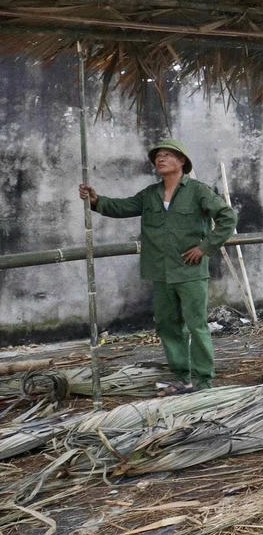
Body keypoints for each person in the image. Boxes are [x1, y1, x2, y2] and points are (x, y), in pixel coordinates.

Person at [78, 139, 237, 393]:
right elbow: (122, 207)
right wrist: (96, 201)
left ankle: (203, 381)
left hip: (190, 271)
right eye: (157, 156)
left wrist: (205, 248)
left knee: (196, 325)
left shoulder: (198, 191)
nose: (160, 159)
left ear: (182, 161)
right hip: (161, 272)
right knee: (167, 325)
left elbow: (228, 218)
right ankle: (182, 376)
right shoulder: (150, 194)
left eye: (167, 155)